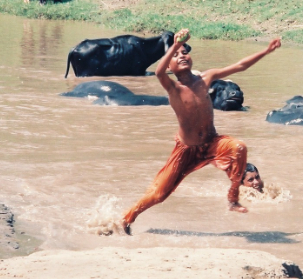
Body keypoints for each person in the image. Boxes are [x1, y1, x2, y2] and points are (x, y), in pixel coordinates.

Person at [120, 29, 282, 234]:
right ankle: (127, 219)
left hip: (212, 143)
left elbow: (240, 65)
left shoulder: (207, 78)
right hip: (186, 150)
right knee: (159, 194)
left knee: (240, 147)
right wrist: (175, 45)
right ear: (170, 65)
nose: (181, 56)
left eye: (184, 53)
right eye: (176, 55)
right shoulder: (173, 88)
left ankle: (232, 199)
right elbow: (159, 72)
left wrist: (266, 51)